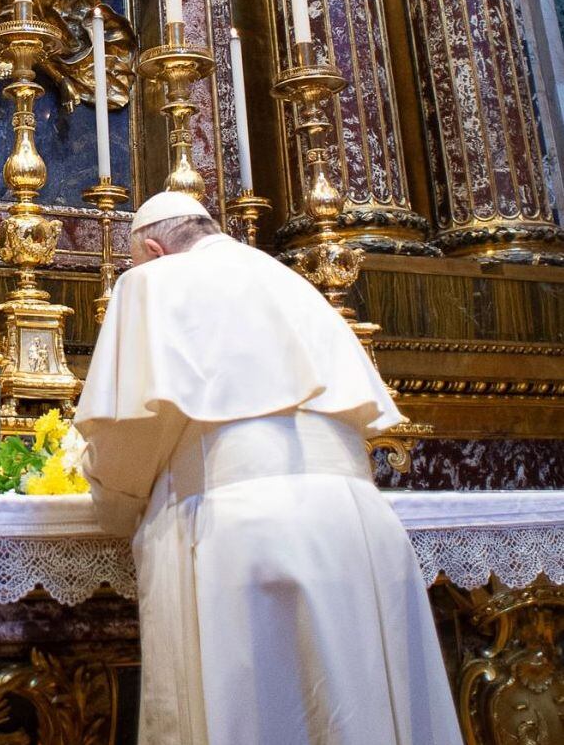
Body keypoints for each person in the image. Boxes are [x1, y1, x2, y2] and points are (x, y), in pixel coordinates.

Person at [75, 191, 463, 745]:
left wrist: (109, 499)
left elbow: (131, 434)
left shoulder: (153, 282)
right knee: (363, 708)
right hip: (359, 527)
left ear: (154, 250)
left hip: (243, 535)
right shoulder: (288, 280)